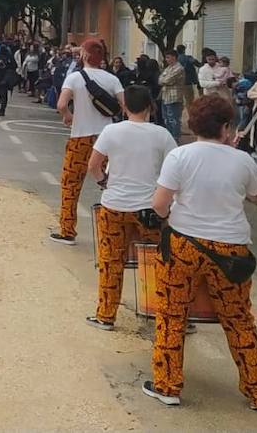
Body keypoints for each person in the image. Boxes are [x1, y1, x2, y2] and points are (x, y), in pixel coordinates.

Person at [143, 94, 257, 411]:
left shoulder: (181, 156)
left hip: (184, 245)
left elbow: (159, 203)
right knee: (239, 320)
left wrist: (170, 218)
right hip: (231, 251)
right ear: (227, 127)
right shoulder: (242, 160)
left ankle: (168, 385)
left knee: (173, 314)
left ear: (193, 124)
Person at [85, 86, 175, 330]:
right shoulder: (162, 135)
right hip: (149, 209)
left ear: (124, 107)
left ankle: (106, 314)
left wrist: (105, 182)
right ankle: (167, 314)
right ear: (150, 107)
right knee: (160, 261)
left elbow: (93, 165)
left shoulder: (111, 131)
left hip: (113, 206)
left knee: (111, 261)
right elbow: (175, 170)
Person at [53, 39, 125, 245]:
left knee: (71, 184)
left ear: (84, 56)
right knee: (110, 182)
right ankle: (116, 230)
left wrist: (68, 115)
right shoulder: (112, 79)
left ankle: (67, 230)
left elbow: (61, 104)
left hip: (80, 138)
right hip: (106, 138)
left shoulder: (75, 78)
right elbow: (126, 106)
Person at [158, 50, 185, 142]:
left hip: (174, 97)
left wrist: (163, 80)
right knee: (166, 118)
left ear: (174, 57)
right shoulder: (168, 68)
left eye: (168, 57)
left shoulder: (179, 68)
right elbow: (160, 79)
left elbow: (167, 80)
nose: (167, 60)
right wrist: (163, 80)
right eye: (166, 58)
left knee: (174, 119)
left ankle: (175, 137)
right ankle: (169, 137)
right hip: (165, 96)